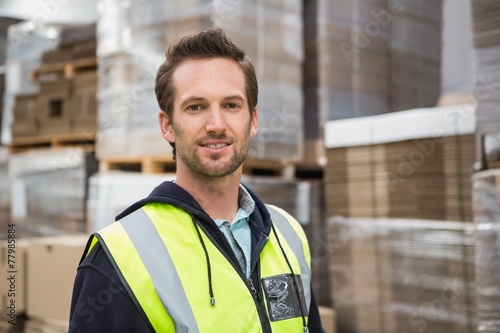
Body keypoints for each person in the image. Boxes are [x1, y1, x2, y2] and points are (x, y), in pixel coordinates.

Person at [69, 28, 325, 333]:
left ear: (252, 120)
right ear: (167, 125)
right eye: (196, 107)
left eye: (231, 105)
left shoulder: (288, 234)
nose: (216, 125)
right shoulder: (119, 256)